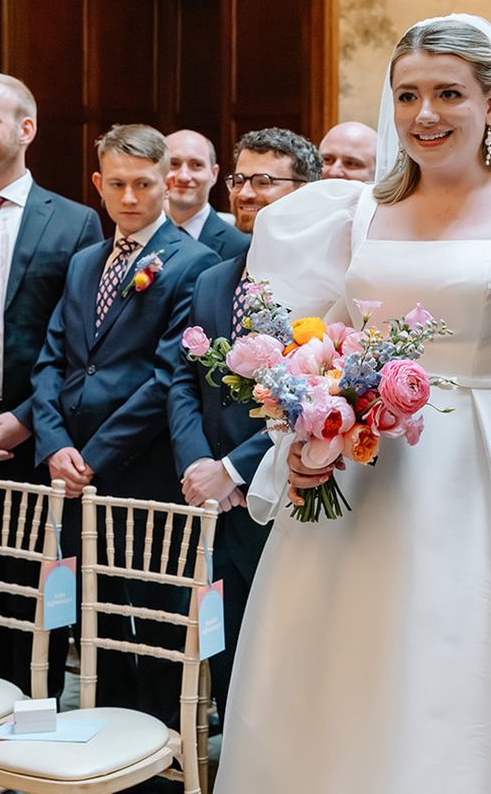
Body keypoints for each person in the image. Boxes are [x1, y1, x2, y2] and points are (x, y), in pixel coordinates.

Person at [214, 16, 491, 794]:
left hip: (487, 467)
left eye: (448, 94)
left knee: (468, 659)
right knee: (344, 664)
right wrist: (300, 437)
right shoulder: (351, 213)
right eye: (408, 95)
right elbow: (319, 343)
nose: (425, 114)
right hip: (367, 469)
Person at [31, 124, 218, 721]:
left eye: (144, 183)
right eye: (118, 184)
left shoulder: (196, 263)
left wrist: (96, 455)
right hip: (75, 468)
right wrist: (55, 442)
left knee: (158, 608)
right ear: (98, 185)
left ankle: (161, 740)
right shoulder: (86, 261)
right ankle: (102, 725)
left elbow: (168, 376)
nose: (131, 197)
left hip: (144, 468)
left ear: (167, 182)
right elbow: (53, 358)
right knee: (96, 611)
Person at [168, 127, 322, 721]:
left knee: (290, 657)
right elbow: (184, 378)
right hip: (215, 502)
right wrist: (200, 467)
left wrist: (235, 468)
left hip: (286, 493)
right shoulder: (212, 276)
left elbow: (319, 390)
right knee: (228, 655)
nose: (247, 194)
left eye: (266, 181)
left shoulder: (326, 281)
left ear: (304, 191)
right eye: (240, 180)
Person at [0, 72, 102, 694]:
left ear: (26, 129)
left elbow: (80, 346)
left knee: (35, 596)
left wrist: (30, 416)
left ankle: (31, 727)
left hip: (33, 433)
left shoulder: (75, 223)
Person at [166, 129, 249, 260]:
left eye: (196, 165)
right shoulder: (140, 235)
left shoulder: (241, 246)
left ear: (214, 174)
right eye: (173, 164)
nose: (183, 177)